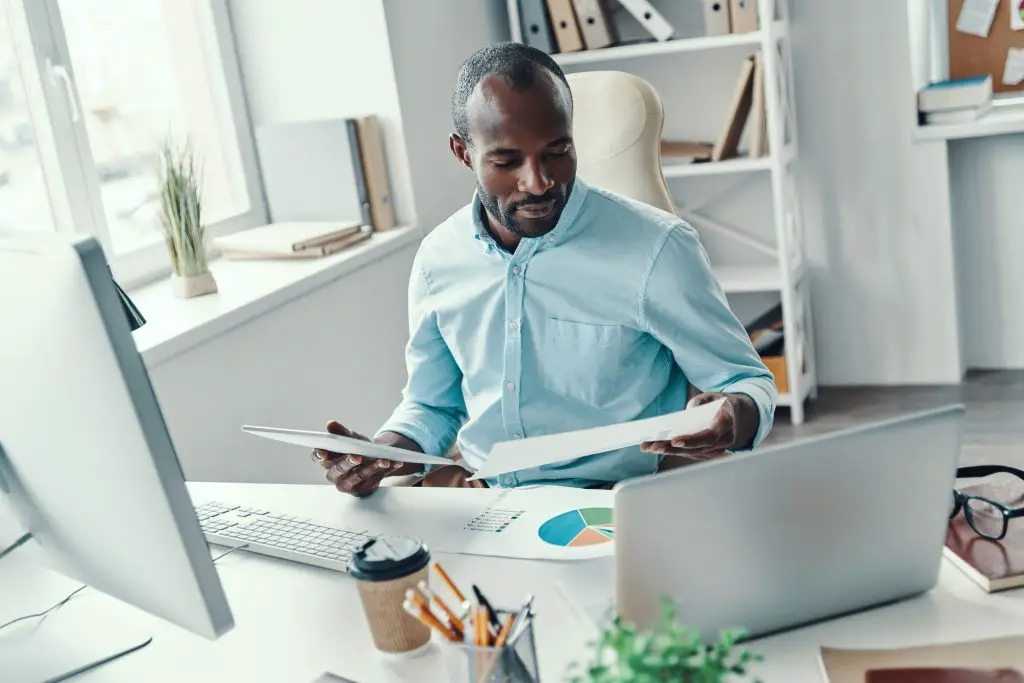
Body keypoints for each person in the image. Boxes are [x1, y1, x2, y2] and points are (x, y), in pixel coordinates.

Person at [314, 42, 778, 497]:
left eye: (557, 151)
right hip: (488, 499)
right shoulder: (439, 259)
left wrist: (734, 416)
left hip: (615, 502)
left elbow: (747, 383)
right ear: (464, 153)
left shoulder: (657, 248)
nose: (539, 181)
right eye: (506, 160)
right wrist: (379, 456)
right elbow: (432, 405)